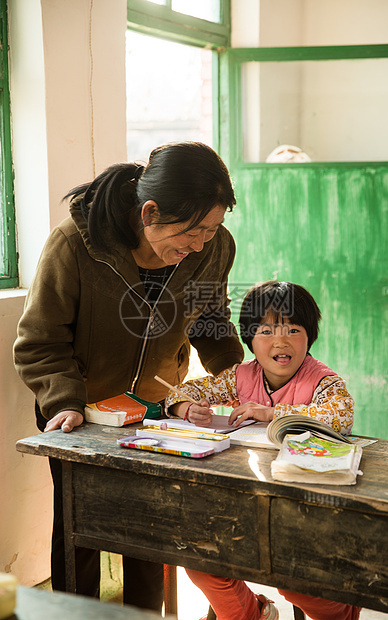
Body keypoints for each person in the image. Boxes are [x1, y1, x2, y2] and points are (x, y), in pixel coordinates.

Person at [13, 142, 244, 611]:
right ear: (150, 211)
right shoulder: (77, 244)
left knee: (150, 533)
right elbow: (41, 339)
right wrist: (64, 403)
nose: (201, 242)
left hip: (157, 413)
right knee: (80, 533)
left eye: (213, 228)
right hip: (83, 414)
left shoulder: (213, 249)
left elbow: (210, 321)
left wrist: (244, 381)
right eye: (194, 229)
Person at [165, 280, 361, 620]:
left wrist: (272, 413)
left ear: (310, 336)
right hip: (243, 505)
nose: (281, 341)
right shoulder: (239, 376)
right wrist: (184, 407)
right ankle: (252, 612)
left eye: (293, 330)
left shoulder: (322, 381)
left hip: (306, 513)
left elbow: (340, 416)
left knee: (294, 582)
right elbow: (182, 390)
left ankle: (342, 611)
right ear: (249, 338)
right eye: (267, 331)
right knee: (201, 566)